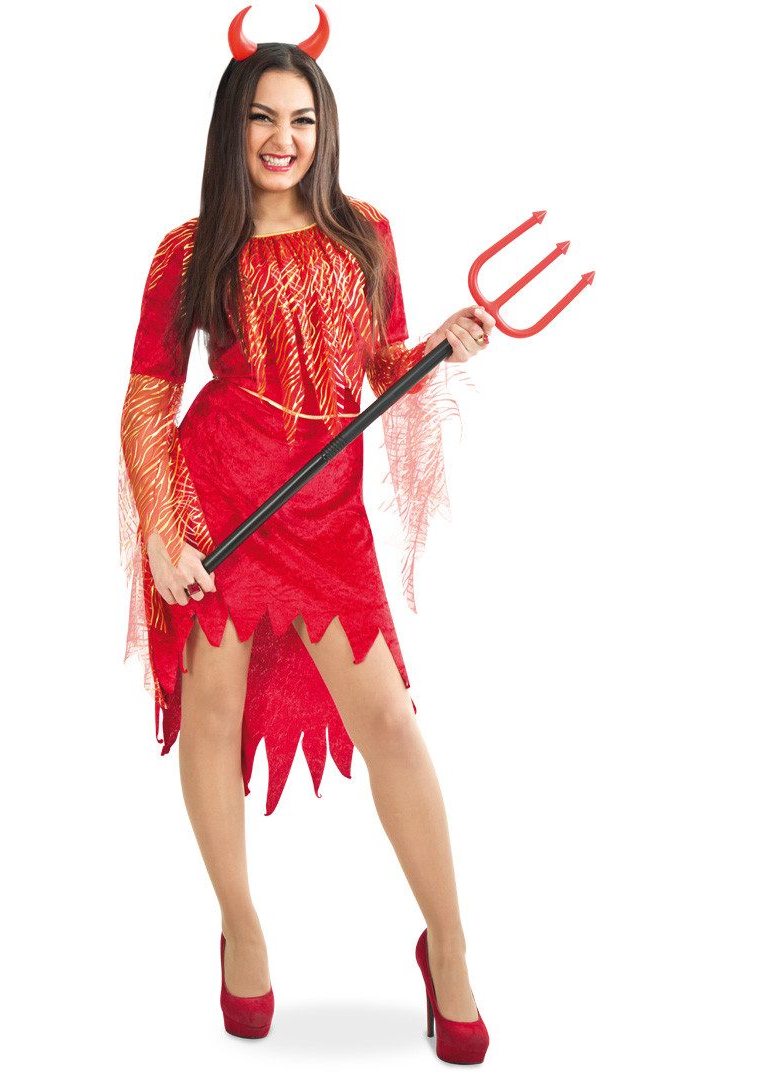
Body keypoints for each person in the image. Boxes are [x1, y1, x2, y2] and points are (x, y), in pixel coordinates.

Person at [118, 5, 495, 1064]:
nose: (282, 139)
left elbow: (382, 366)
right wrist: (164, 530)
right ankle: (241, 928)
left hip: (325, 513)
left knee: (390, 724)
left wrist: (437, 346)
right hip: (223, 498)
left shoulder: (364, 231)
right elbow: (148, 396)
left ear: (324, 130)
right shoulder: (190, 248)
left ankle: (449, 947)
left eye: (301, 120)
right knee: (212, 713)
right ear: (231, 128)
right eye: (261, 119)